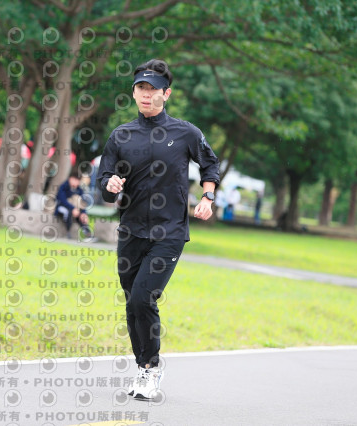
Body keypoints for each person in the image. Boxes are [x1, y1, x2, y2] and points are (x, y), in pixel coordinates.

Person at [97, 59, 220, 400]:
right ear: (134, 92)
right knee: (131, 303)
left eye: (153, 89)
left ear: (166, 94)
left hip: (170, 232)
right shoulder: (121, 135)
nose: (146, 94)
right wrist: (110, 184)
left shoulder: (186, 133)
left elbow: (210, 164)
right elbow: (104, 181)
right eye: (141, 88)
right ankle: (143, 367)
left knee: (143, 297)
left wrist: (208, 196)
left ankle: (151, 369)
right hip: (131, 231)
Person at [55, 170, 93, 239]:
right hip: (62, 207)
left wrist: (83, 213)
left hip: (75, 209)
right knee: (68, 212)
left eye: (78, 180)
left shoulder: (79, 190)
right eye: (75, 180)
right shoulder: (64, 186)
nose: (76, 182)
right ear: (70, 179)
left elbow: (82, 203)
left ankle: (87, 233)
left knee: (81, 215)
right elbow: (62, 201)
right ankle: (67, 232)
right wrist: (73, 208)